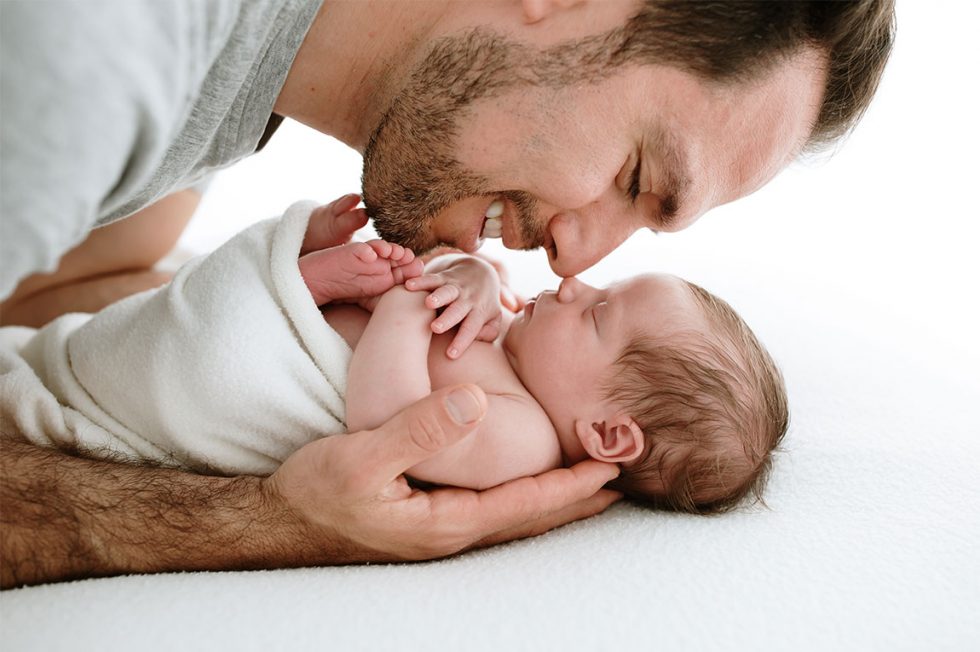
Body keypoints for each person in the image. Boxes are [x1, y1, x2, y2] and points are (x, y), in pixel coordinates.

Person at [0, 0, 895, 587]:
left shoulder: (218, 103)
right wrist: (263, 523)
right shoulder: (83, 77)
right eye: (634, 175)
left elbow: (98, 319)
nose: (572, 259)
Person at [4, 200, 786, 514]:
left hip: (246, 375)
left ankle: (295, 284)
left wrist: (410, 308)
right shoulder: (518, 337)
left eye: (601, 313)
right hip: (293, 320)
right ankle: (296, 276)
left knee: (206, 353)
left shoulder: (521, 437)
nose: (576, 282)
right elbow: (456, 274)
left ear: (610, 432)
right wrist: (474, 274)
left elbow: (384, 423)